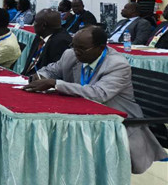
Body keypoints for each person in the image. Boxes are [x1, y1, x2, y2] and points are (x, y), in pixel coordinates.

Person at [24, 26, 167, 174]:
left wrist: (56, 83)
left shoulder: (117, 64)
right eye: (74, 46)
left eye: (82, 48)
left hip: (115, 120)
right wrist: (40, 76)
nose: (76, 52)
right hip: (81, 115)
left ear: (101, 48)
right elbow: (52, 70)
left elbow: (99, 94)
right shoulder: (71, 54)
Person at [21, 9, 73, 76]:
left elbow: (54, 73)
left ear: (43, 25)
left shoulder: (61, 42)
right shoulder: (40, 35)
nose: (33, 25)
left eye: (35, 22)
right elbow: (29, 63)